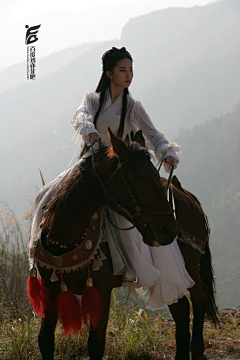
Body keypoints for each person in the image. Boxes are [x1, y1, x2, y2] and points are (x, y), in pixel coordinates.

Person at [29, 47, 194, 310]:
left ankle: (128, 269)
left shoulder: (133, 107)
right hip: (90, 164)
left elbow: (154, 135)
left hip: (117, 169)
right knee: (45, 195)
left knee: (122, 218)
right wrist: (89, 131)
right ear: (109, 73)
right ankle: (36, 257)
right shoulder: (92, 100)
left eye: (130, 70)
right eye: (122, 70)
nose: (128, 75)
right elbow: (80, 117)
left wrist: (166, 152)